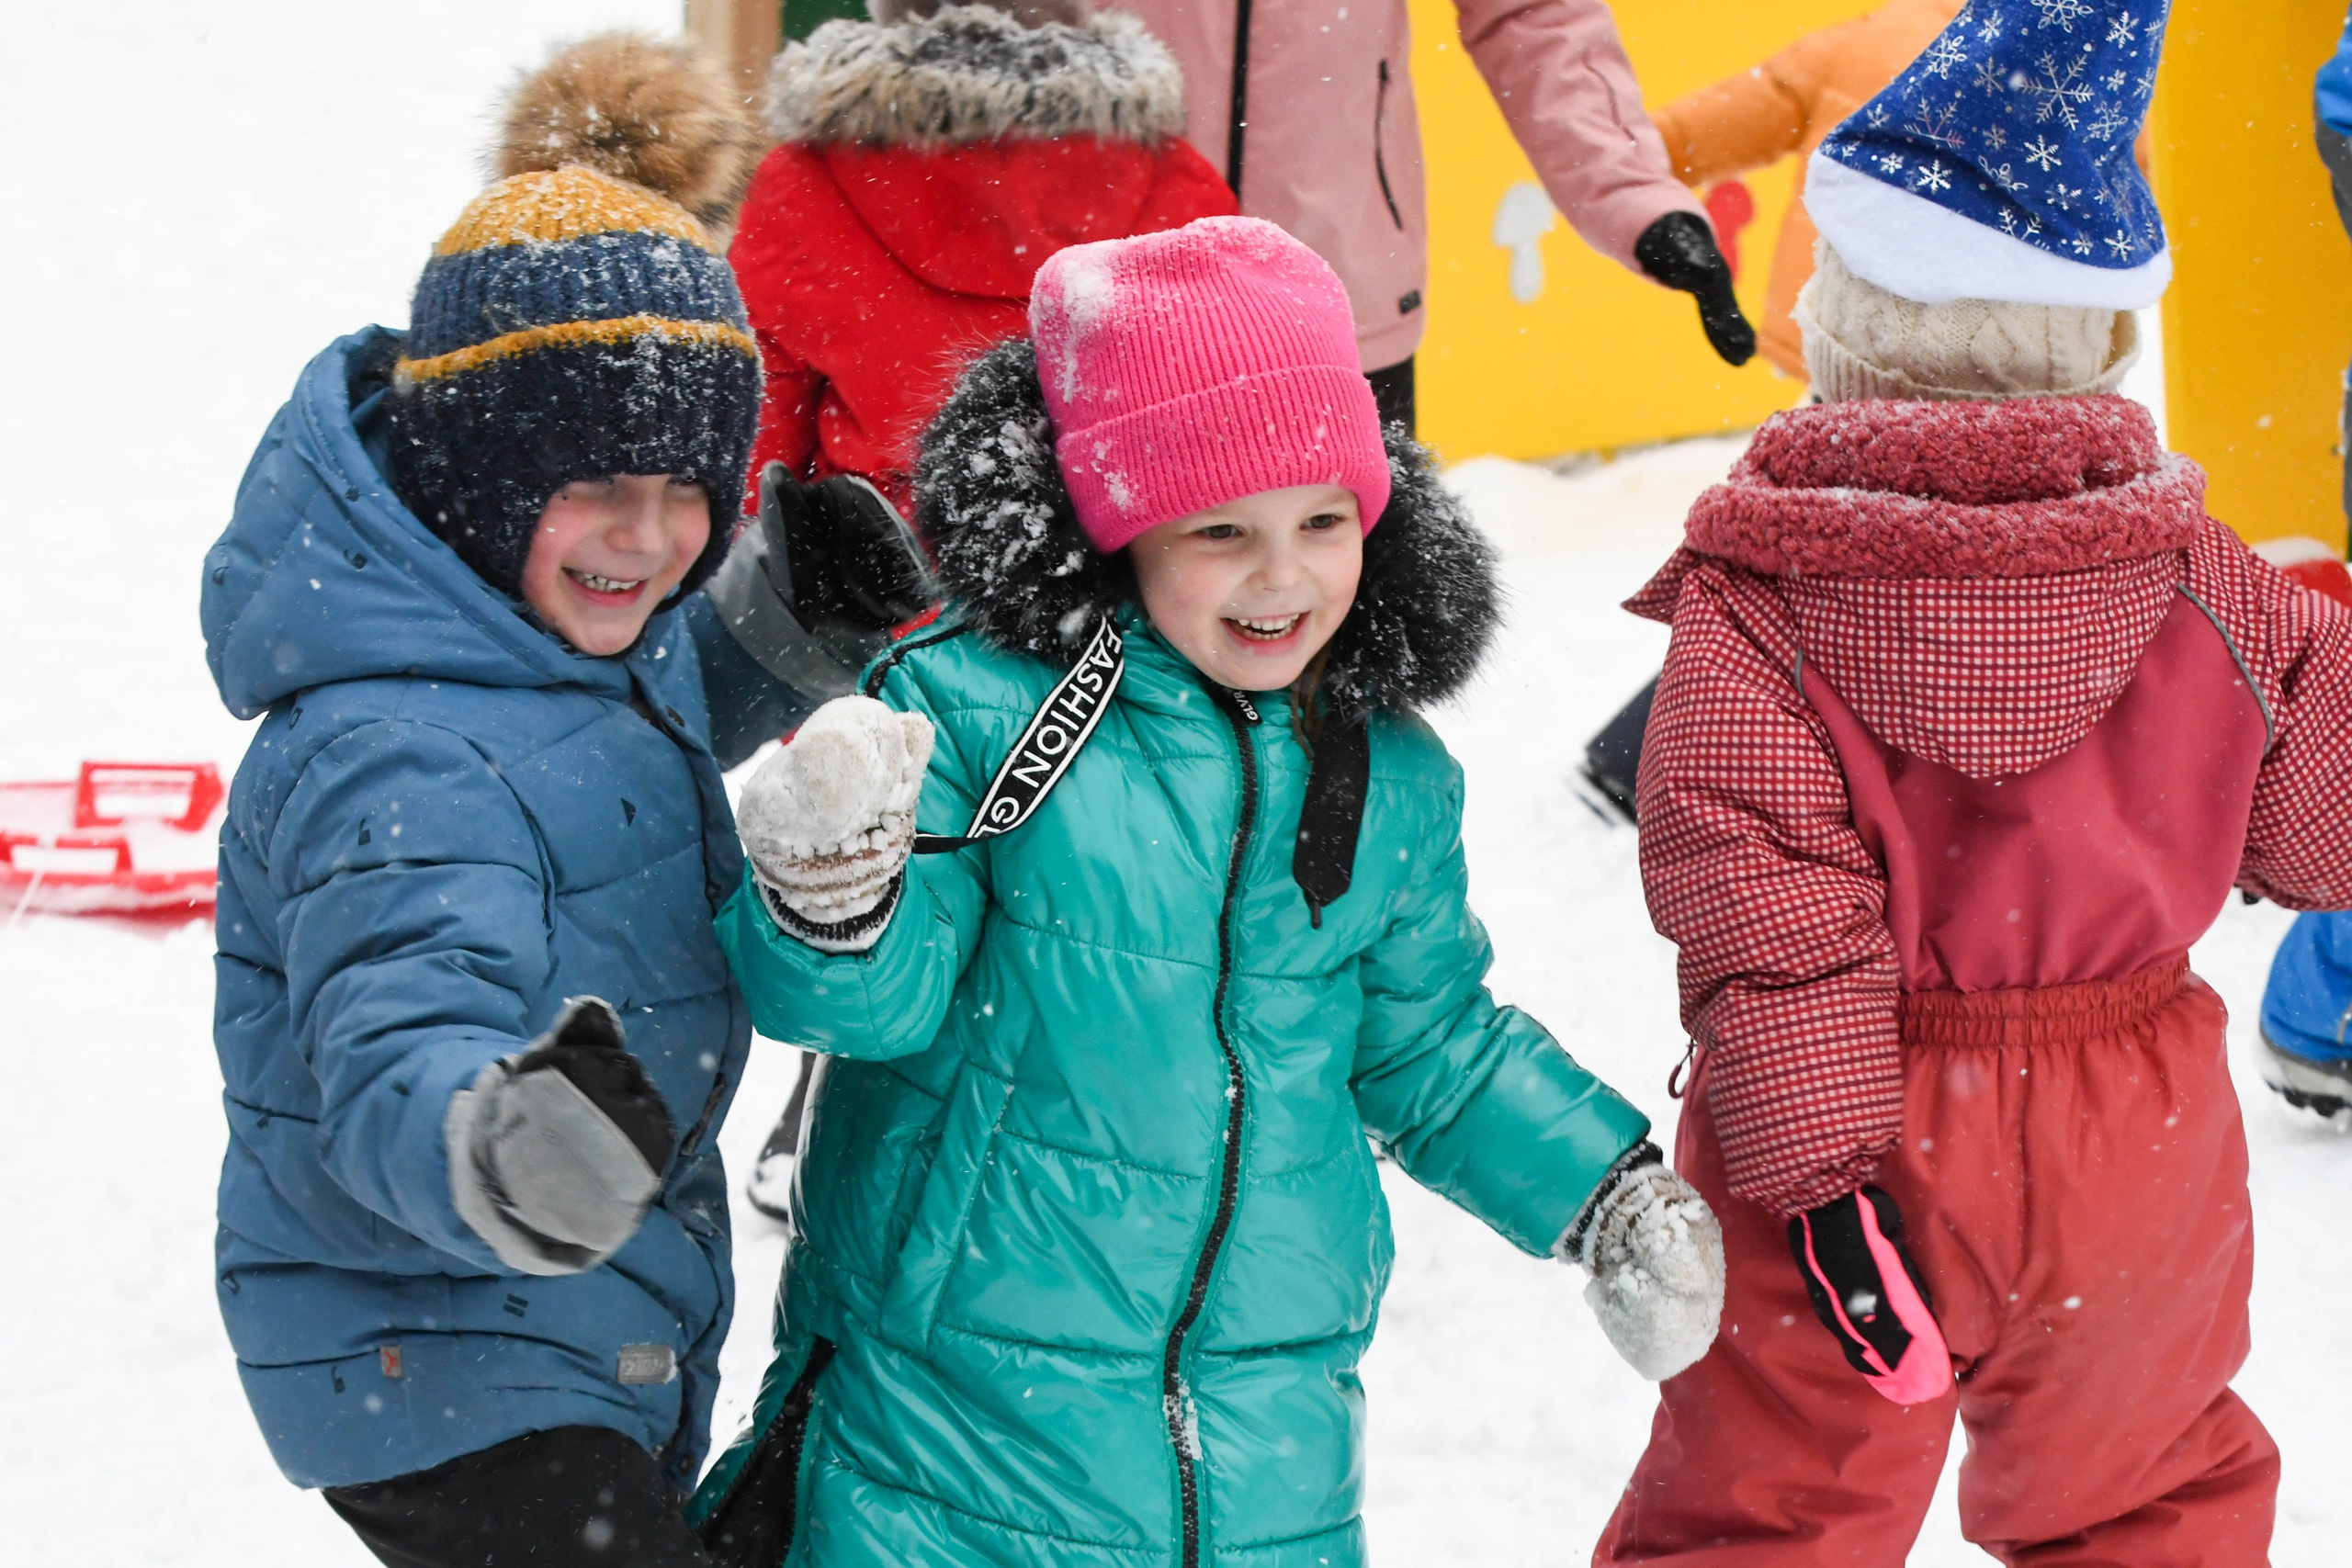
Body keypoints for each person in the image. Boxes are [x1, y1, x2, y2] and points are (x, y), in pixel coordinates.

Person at [686, 216, 1726, 1565]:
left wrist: (1603, 1187)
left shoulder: (1381, 766)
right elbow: (867, 1003)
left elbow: (1427, 1043)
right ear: (1123, 527)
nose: (1282, 575)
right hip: (955, 1427)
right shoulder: (977, 708)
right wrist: (836, 889)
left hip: (1266, 1441)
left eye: (1322, 521)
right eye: (1221, 530)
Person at [1600, 4, 2352, 1561]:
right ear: (2098, 334)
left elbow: (1765, 913)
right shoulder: (2218, 589)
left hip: (1856, 1133)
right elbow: (2322, 827)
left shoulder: (1761, 607)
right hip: (2134, 1136)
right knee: (2146, 1494)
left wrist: (1822, 1186)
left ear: (1848, 314)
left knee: (1771, 1505)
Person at [198, 36, 910, 1566]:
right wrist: (489, 1139)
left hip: (567, 1299)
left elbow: (617, 751)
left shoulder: (519, 631)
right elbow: (391, 1027)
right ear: (477, 470)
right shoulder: (393, 752)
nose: (649, 540)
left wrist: (790, 624)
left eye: (686, 491)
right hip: (439, 1330)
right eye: (594, 487)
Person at [727, 0, 1237, 1215]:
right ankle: (1093, 1126)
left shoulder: (809, 175)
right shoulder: (1166, 174)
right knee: (1081, 874)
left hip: (879, 594)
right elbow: (1213, 396)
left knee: (883, 858)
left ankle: (839, 1102)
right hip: (1090, 590)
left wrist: (793, 552)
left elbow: (769, 414)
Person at [1112, 0, 1757, 434]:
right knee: (1081, 632)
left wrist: (1633, 193)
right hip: (1084, 306)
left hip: (1338, 308)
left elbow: (1532, 15)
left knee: (1353, 620)